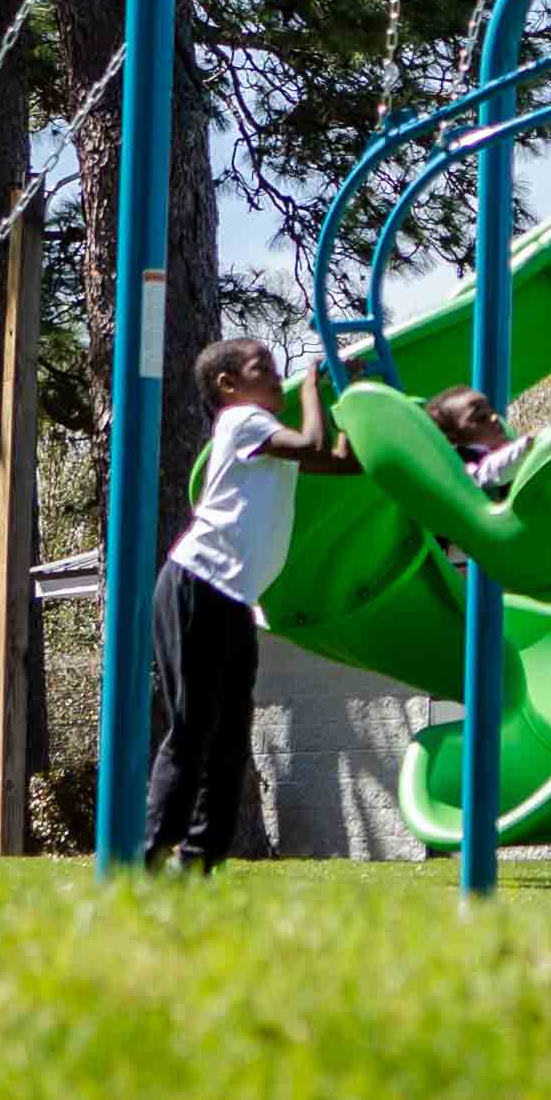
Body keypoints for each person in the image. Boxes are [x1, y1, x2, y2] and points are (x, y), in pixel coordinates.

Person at [151, 341, 354, 868]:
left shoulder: (269, 439)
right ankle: (149, 850)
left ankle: (198, 860)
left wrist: (349, 398)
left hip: (234, 597)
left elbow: (340, 460)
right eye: (262, 369)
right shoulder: (242, 421)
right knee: (193, 725)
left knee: (230, 736)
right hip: (197, 582)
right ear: (228, 385)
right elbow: (314, 442)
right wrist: (313, 386)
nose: (277, 377)